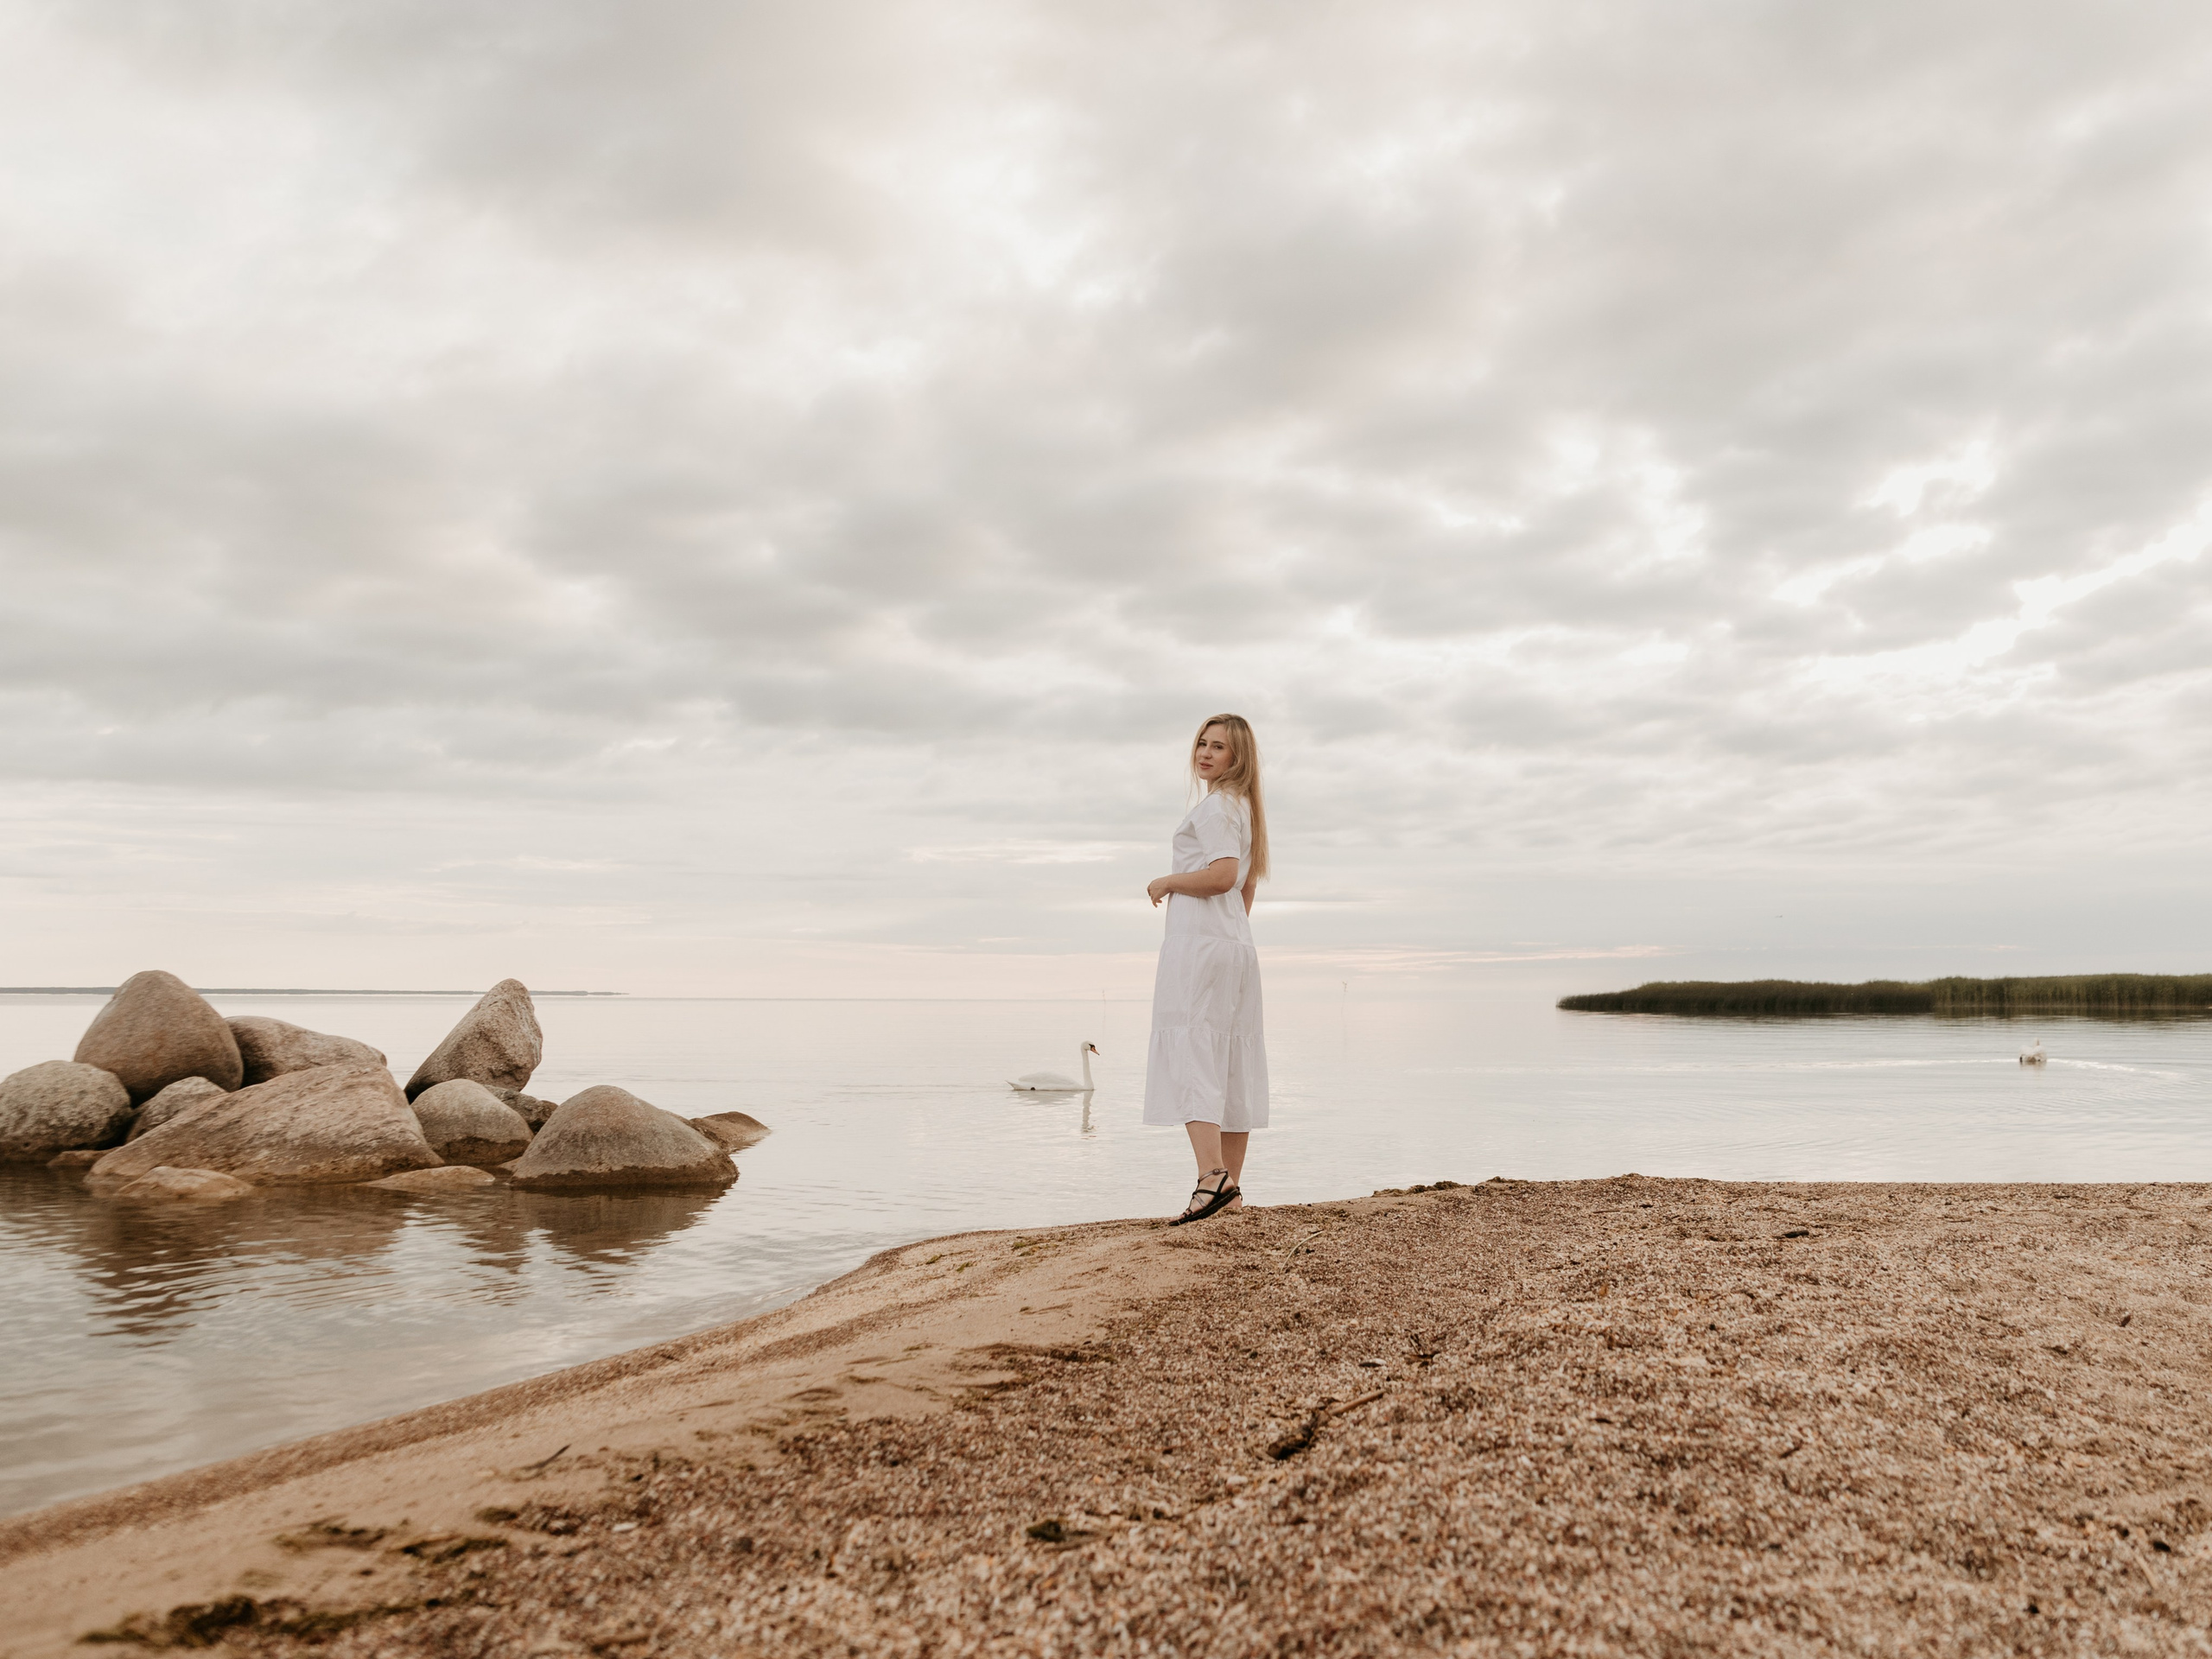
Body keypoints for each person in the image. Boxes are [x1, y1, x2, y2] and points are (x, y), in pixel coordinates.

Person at [1142, 713, 1270, 1224]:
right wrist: (1227, 930)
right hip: (1234, 944)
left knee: (1196, 1051)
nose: (1206, 753)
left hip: (1201, 946)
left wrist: (1168, 881)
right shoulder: (1242, 808)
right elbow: (1246, 887)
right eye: (1202, 742)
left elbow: (1221, 877)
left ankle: (1211, 1181)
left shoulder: (1216, 807)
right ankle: (1230, 1190)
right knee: (1230, 1058)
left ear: (1238, 758)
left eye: (1219, 747)